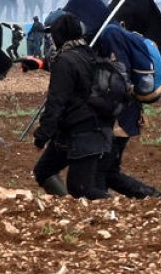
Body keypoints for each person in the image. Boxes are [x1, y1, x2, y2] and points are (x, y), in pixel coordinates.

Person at [31, 12, 112, 200]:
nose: (51, 39)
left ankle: (117, 208)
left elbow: (56, 102)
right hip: (86, 129)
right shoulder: (88, 53)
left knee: (80, 188)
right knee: (44, 170)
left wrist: (42, 135)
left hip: (82, 131)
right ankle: (69, 209)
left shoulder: (65, 60)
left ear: (60, 35)